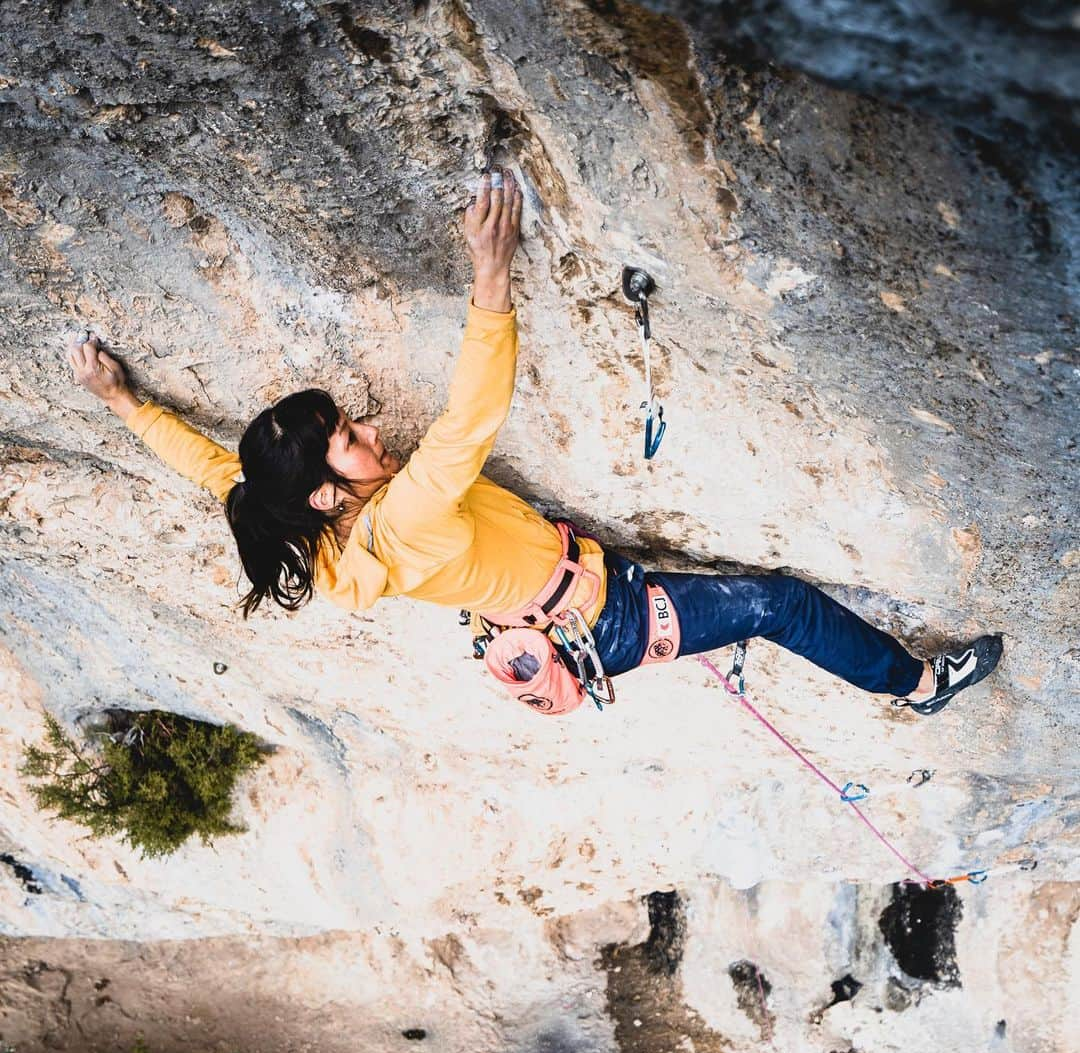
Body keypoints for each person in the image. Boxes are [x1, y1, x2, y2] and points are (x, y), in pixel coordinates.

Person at [68, 169, 1001, 716]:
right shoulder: (408, 518)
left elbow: (212, 471)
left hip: (566, 596)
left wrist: (122, 404)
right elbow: (470, 415)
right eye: (350, 439)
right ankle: (919, 685)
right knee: (780, 605)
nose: (372, 432)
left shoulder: (312, 526)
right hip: (609, 619)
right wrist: (489, 272)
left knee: (748, 601)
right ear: (326, 490)